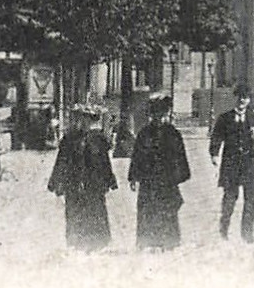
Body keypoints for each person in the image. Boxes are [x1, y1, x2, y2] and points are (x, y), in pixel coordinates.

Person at [46, 104, 117, 251]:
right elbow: (61, 161)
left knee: (95, 211)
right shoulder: (69, 139)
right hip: (74, 182)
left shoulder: (98, 139)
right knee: (75, 211)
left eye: (88, 120)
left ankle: (96, 243)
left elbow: (104, 162)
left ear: (92, 122)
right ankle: (76, 242)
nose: (85, 123)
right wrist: (56, 182)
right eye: (82, 120)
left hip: (94, 183)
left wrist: (110, 180)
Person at [128, 96, 190, 251]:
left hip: (167, 179)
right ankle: (148, 241)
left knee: (168, 209)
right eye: (156, 115)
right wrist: (133, 176)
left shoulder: (173, 133)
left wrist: (180, 175)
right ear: (151, 115)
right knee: (148, 210)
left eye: (162, 115)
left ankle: (169, 242)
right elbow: (137, 155)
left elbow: (181, 156)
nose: (159, 118)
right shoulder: (144, 133)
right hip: (149, 180)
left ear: (167, 114)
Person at [209, 85, 254, 243]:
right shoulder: (225, 118)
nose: (242, 100)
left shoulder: (252, 118)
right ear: (235, 98)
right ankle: (223, 229)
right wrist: (214, 153)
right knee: (230, 198)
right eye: (239, 97)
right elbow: (216, 138)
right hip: (231, 164)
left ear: (248, 100)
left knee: (250, 200)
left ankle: (247, 233)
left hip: (249, 164)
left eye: (245, 97)